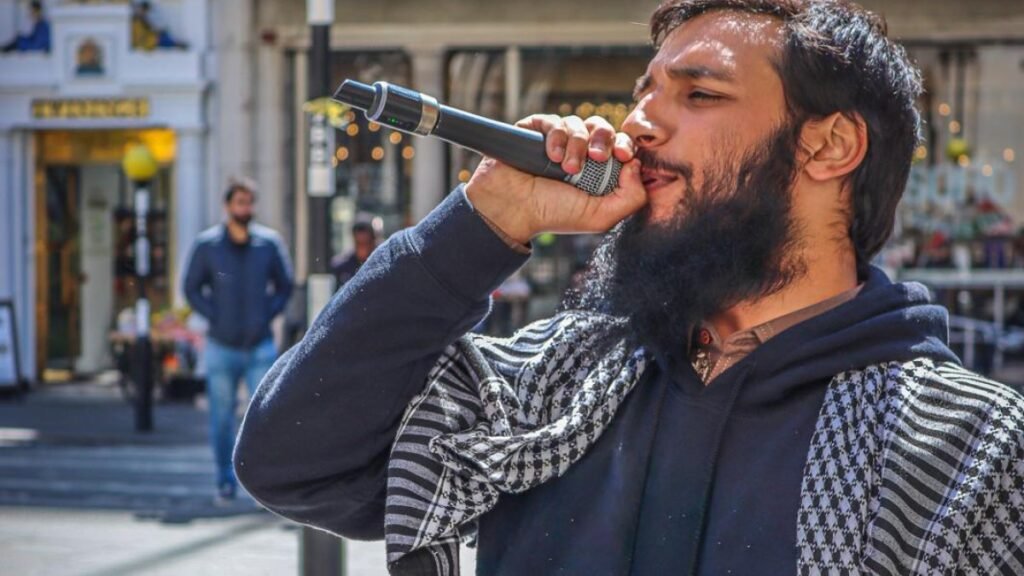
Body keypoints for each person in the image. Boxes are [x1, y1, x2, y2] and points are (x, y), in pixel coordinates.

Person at [236, 0, 1024, 574]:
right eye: (644, 93)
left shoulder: (967, 448)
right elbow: (295, 463)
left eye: (699, 93)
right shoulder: (557, 383)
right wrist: (484, 223)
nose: (639, 122)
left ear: (830, 145)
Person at [184, 178, 292, 502]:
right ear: (227, 206)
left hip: (260, 345)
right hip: (221, 345)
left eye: (249, 202)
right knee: (221, 419)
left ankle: (263, 486)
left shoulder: (268, 244)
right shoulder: (208, 245)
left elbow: (285, 285)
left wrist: (267, 314)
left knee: (264, 418)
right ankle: (224, 479)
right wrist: (214, 315)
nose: (245, 208)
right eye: (239, 203)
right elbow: (191, 288)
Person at [329, 220, 378, 289]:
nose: (362, 248)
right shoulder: (341, 265)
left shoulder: (379, 264)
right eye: (359, 243)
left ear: (372, 242)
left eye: (365, 243)